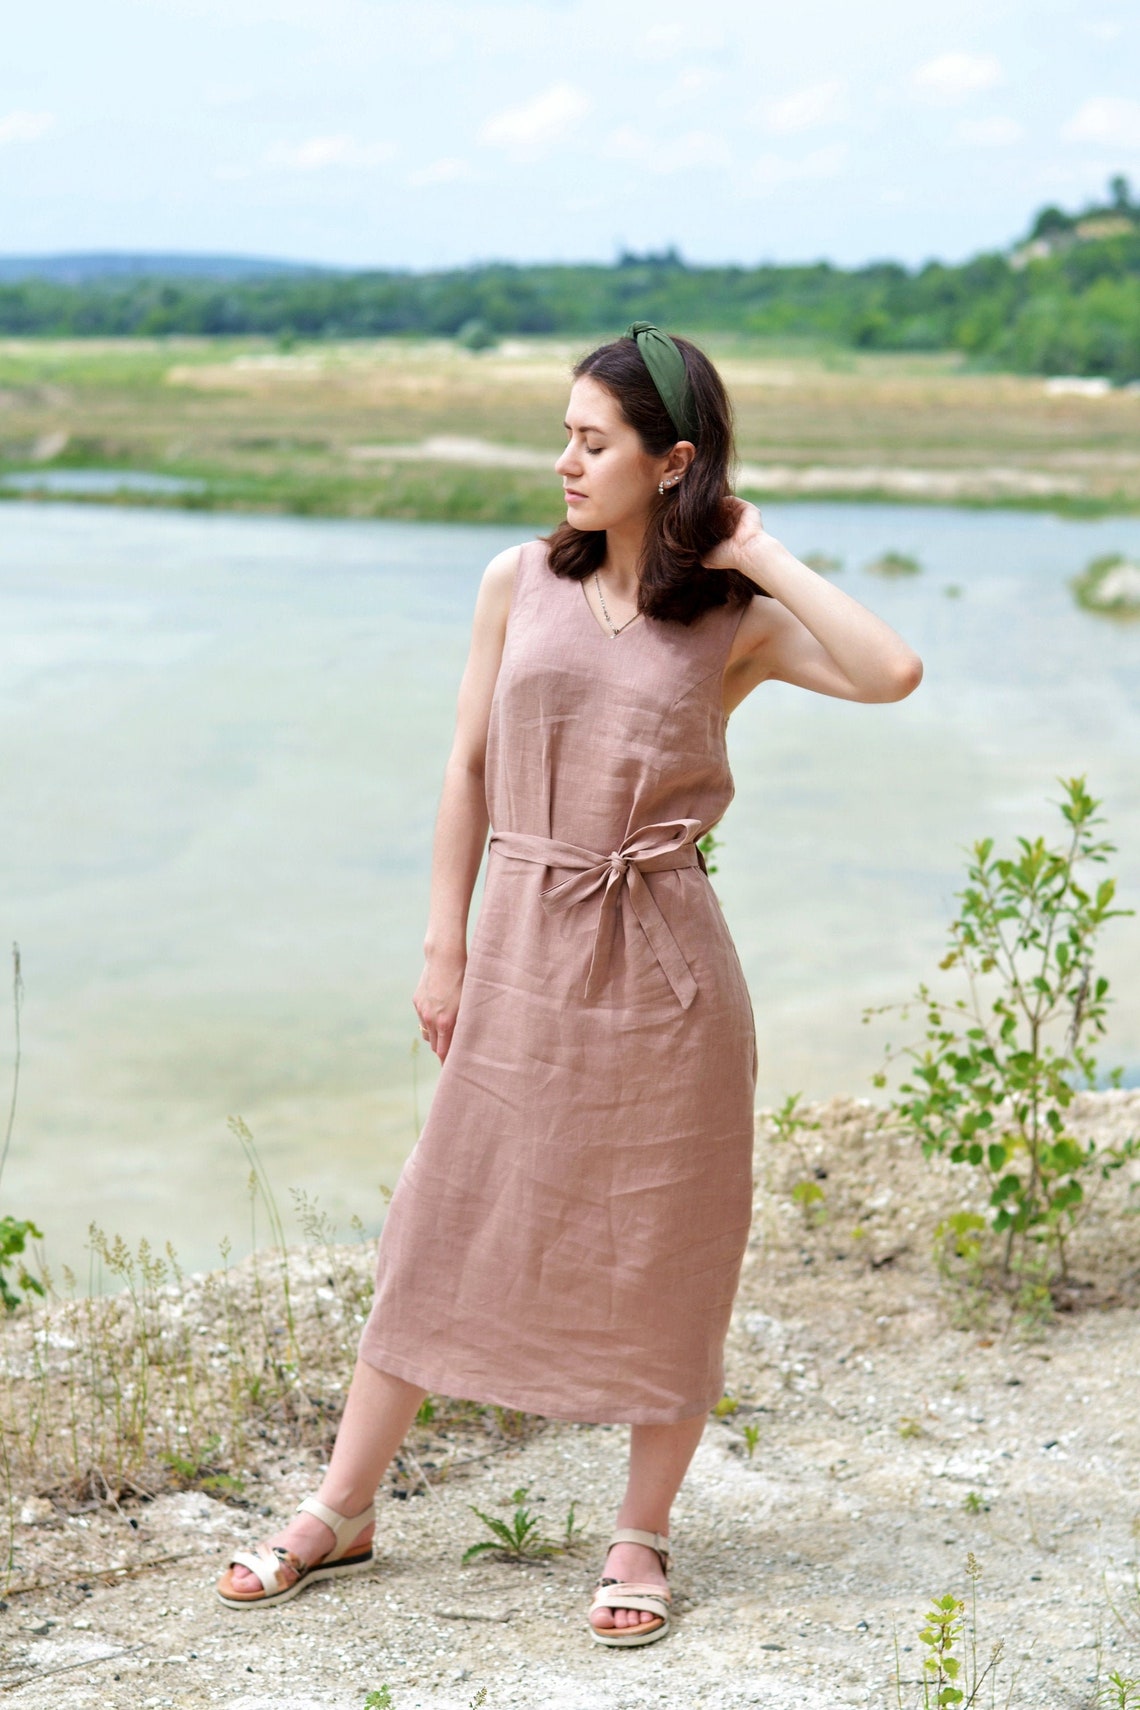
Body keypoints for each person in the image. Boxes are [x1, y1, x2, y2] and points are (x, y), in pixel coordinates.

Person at [216, 324, 922, 1644]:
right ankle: (343, 1505)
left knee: (670, 1239)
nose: (566, 462)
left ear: (674, 462)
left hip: (666, 970)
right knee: (443, 1216)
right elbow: (468, 767)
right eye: (566, 436)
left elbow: (892, 673)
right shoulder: (519, 580)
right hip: (521, 946)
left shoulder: (735, 620)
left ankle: (640, 1531)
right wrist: (445, 943)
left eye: (594, 442)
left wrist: (758, 549)